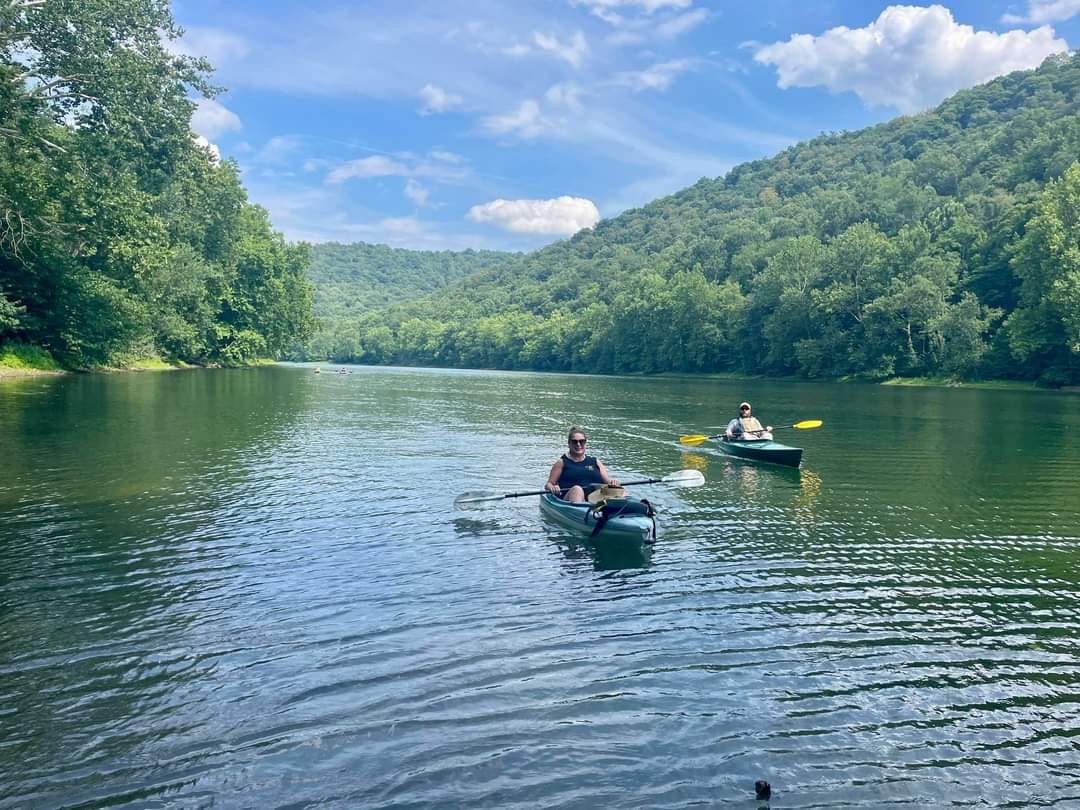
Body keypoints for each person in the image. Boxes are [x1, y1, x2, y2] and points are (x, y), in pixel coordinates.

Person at [545, 427, 620, 503]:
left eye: (582, 441)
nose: (578, 444)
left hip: (595, 499)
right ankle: (582, 510)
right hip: (570, 501)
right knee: (577, 489)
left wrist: (613, 483)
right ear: (569, 444)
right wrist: (553, 487)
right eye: (575, 442)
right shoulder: (561, 463)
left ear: (585, 443)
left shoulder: (596, 462)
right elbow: (549, 484)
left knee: (615, 489)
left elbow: (608, 483)